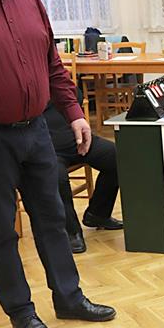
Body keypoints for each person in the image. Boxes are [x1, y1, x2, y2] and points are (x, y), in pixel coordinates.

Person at [0, 0, 116, 328]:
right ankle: (21, 311)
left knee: (53, 218)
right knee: (0, 230)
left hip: (37, 130)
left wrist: (75, 112)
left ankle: (69, 297)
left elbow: (52, 63)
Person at [44, 99, 122, 254]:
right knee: (57, 177)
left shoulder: (61, 87)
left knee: (116, 157)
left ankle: (97, 214)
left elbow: (77, 98)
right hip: (48, 149)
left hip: (78, 139)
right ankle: (71, 232)